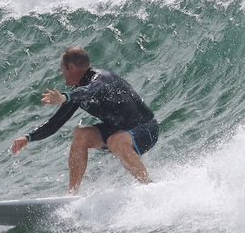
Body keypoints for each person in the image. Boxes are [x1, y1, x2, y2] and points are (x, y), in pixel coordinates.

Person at [10, 47, 159, 194]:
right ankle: (72, 194)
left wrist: (63, 97)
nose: (62, 74)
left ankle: (148, 187)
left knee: (115, 141)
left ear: (71, 67)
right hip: (118, 130)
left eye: (62, 69)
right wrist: (28, 137)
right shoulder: (77, 93)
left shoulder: (101, 78)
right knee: (81, 135)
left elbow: (90, 91)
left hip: (145, 128)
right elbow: (54, 124)